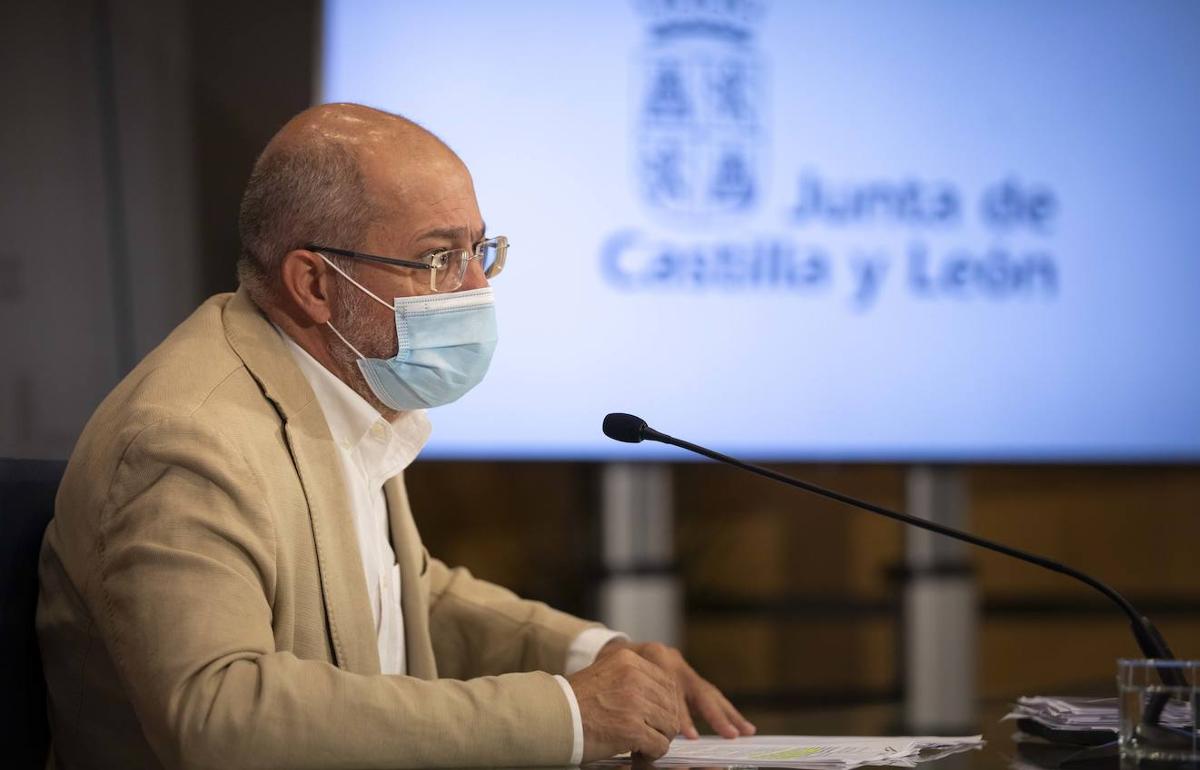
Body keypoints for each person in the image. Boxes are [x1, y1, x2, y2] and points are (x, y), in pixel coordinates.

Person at [36, 103, 754, 769]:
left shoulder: (331, 385)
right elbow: (221, 712)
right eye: (439, 257)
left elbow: (399, 594)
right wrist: (565, 714)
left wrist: (598, 654)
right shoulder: (188, 440)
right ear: (314, 284)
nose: (476, 286)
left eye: (481, 249)